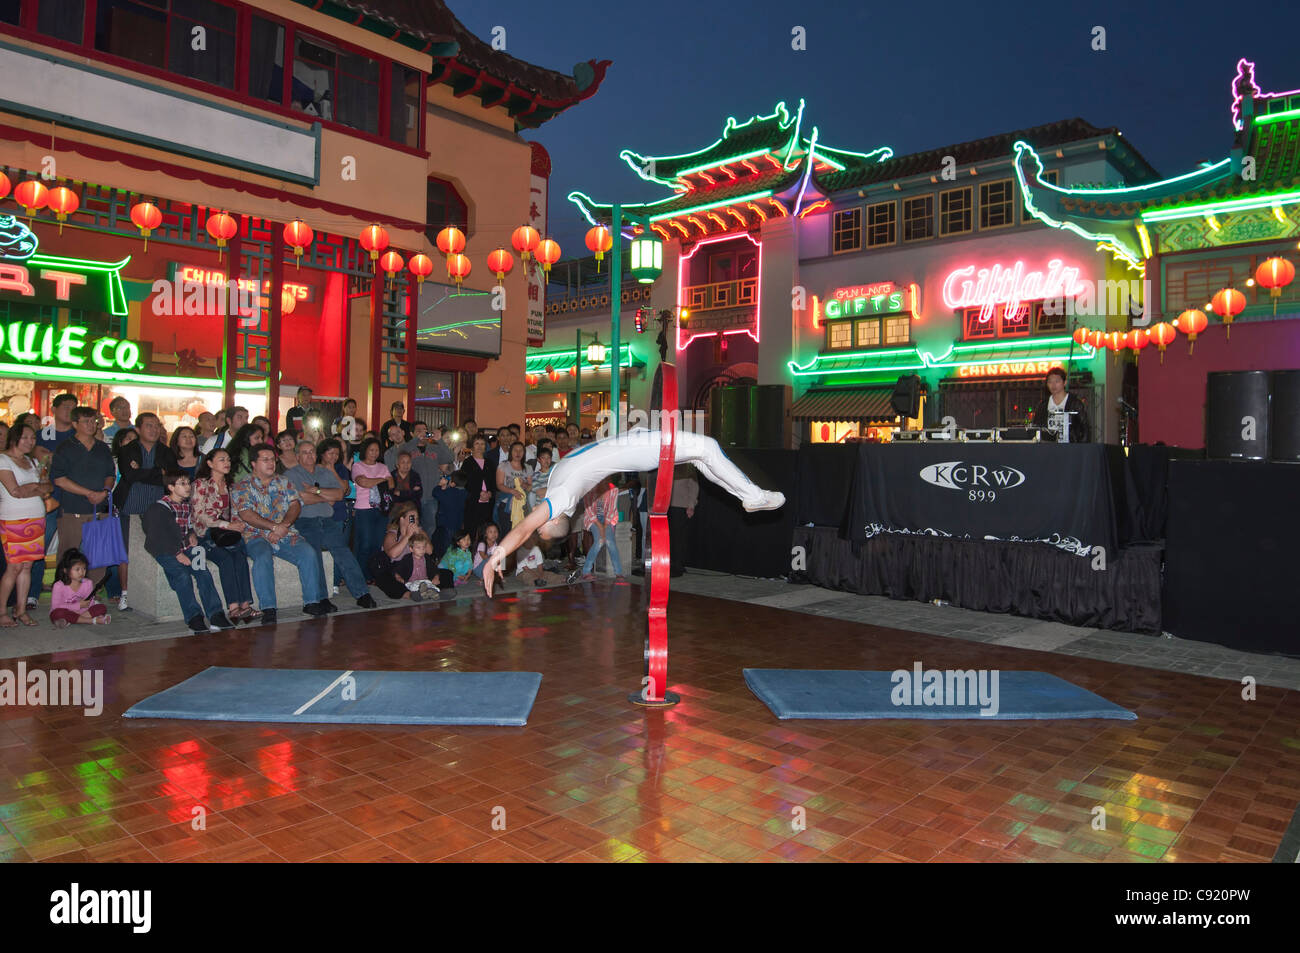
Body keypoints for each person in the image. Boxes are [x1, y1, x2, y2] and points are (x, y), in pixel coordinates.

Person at [483, 429, 785, 597]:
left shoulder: (552, 485)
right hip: (635, 450)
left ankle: (746, 495)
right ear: (552, 519)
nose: (537, 524)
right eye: (542, 529)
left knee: (703, 457)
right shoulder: (560, 499)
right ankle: (753, 497)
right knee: (707, 446)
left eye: (539, 529)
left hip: (630, 441)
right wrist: (498, 554)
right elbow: (523, 528)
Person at [231, 446, 331, 623]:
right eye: (265, 459)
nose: (271, 463)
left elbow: (295, 505)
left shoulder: (284, 482)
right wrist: (273, 527)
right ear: (254, 463)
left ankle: (312, 601)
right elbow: (246, 514)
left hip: (285, 532)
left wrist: (283, 526)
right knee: (262, 556)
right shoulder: (242, 486)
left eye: (272, 459)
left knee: (308, 552)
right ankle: (268, 607)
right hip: (256, 534)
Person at [285, 440, 376, 609]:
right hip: (305, 520)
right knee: (315, 553)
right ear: (297, 456)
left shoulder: (324, 472)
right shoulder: (291, 475)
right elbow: (301, 498)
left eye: (312, 451)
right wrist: (326, 497)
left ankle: (362, 593)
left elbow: (340, 494)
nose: (309, 455)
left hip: (327, 520)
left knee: (343, 551)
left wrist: (317, 491)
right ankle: (321, 598)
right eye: (304, 452)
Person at [143, 471, 233, 633]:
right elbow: (157, 536)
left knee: (203, 572)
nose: (187, 487)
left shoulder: (185, 505)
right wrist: (177, 553)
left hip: (185, 547)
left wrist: (191, 534)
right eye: (182, 484)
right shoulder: (159, 508)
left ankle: (215, 614)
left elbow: (188, 525)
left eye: (187, 483)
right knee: (182, 576)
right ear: (171, 487)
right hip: (165, 550)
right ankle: (194, 617)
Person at [115, 412, 178, 609]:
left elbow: (169, 478)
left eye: (156, 426)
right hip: (131, 505)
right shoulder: (128, 450)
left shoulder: (166, 451)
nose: (153, 429)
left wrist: (144, 472)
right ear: (138, 429)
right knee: (126, 551)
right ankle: (125, 593)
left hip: (158, 507)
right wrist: (157, 472)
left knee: (156, 548)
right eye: (149, 425)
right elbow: (130, 475)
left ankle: (152, 592)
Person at [50, 406, 117, 587]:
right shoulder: (65, 448)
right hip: (73, 509)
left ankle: (89, 595)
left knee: (98, 556)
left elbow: (110, 474)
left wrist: (104, 491)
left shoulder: (102, 447)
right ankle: (65, 595)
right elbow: (59, 480)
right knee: (69, 554)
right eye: (86, 421)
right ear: (74, 424)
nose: (91, 425)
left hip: (99, 509)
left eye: (93, 421)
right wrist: (88, 493)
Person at [191, 448, 258, 623]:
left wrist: (238, 524)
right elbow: (199, 514)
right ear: (210, 463)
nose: (227, 462)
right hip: (205, 534)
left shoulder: (230, 485)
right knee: (225, 559)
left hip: (227, 533)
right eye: (221, 459)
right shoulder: (201, 484)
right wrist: (226, 524)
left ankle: (245, 605)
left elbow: (233, 511)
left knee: (240, 556)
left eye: (228, 459)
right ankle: (233, 607)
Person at [0, 423, 53, 625]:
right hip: (13, 519)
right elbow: (16, 492)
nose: (31, 441)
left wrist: (34, 487)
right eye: (26, 437)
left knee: (27, 567)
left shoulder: (31, 461)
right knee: (13, 567)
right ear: (15, 439)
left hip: (36, 518)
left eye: (33, 438)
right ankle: (2, 611)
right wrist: (36, 487)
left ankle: (20, 610)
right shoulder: (3, 460)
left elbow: (48, 487)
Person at [317, 438, 355, 596]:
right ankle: (322, 581)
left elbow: (345, 490)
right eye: (330, 453)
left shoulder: (340, 468)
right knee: (320, 549)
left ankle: (335, 581)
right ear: (322, 453)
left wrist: (332, 469)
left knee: (339, 548)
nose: (333, 456)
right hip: (318, 512)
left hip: (338, 513)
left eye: (336, 454)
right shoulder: (314, 467)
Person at [349, 437, 390, 573]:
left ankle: (372, 573)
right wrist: (381, 480)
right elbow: (363, 483)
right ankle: (360, 573)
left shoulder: (383, 466)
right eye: (371, 450)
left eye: (377, 450)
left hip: (381, 510)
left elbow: (391, 483)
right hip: (363, 509)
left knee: (376, 544)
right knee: (364, 544)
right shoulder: (358, 466)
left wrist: (372, 480)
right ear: (364, 451)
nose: (374, 453)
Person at [369, 502, 421, 599]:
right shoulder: (392, 534)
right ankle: (409, 595)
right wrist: (407, 537)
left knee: (445, 573)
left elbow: (430, 551)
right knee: (385, 578)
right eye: (412, 518)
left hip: (414, 568)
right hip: (394, 571)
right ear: (402, 519)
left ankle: (435, 590)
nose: (415, 521)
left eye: (417, 518)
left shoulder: (419, 531)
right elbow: (392, 555)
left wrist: (419, 536)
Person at [49, 548, 110, 627]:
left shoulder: (88, 583)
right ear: (66, 570)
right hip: (66, 611)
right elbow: (55, 606)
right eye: (77, 569)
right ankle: (91, 620)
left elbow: (90, 603)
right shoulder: (58, 586)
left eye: (84, 568)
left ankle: (71, 620)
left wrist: (79, 610)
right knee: (56, 613)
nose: (81, 572)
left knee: (101, 607)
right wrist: (78, 605)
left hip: (82, 611)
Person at [1032, 366, 1091, 443]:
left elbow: (1084, 429)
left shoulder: (1075, 404)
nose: (1053, 385)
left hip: (1070, 448)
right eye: (1050, 382)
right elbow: (1036, 427)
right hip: (1047, 447)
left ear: (1064, 382)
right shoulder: (1042, 406)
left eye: (1057, 381)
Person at [580, 479, 624, 581]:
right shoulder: (589, 489)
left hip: (608, 518)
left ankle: (618, 572)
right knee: (599, 541)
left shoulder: (613, 490)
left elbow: (611, 510)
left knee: (610, 541)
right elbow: (589, 511)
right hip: (592, 519)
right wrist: (600, 528)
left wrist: (604, 528)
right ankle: (586, 571)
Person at [457, 434, 493, 535]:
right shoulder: (467, 463)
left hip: (488, 502)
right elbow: (466, 483)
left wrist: (490, 493)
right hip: (473, 501)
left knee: (485, 530)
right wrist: (479, 493)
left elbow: (493, 482)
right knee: (472, 530)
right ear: (472, 446)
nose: (480, 446)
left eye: (482, 444)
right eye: (477, 443)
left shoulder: (490, 463)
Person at [494, 441, 531, 534]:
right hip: (506, 503)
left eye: (521, 451)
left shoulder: (528, 467)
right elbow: (499, 485)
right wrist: (512, 491)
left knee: (519, 534)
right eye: (515, 450)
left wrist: (524, 485)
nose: (518, 453)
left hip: (522, 505)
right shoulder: (503, 465)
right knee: (506, 532)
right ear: (511, 452)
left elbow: (530, 487)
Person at [389, 531, 437, 601]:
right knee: (413, 586)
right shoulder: (407, 559)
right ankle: (420, 594)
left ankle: (431, 593)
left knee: (430, 585)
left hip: (425, 580)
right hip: (412, 582)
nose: (422, 550)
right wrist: (398, 577)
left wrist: (436, 577)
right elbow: (397, 569)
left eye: (423, 548)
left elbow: (434, 568)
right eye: (418, 548)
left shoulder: (426, 558)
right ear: (411, 549)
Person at [431, 471, 466, 557]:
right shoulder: (464, 493)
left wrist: (440, 485)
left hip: (445, 525)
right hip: (457, 524)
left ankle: (441, 561)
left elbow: (435, 493)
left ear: (453, 484)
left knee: (444, 546)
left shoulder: (450, 493)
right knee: (453, 545)